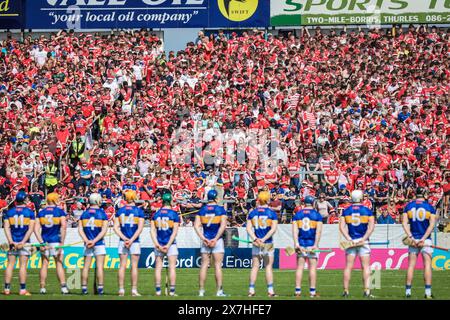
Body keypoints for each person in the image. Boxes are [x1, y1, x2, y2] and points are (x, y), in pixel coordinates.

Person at [339, 189, 375, 298]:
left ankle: (346, 291)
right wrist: (363, 239)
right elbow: (371, 227)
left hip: (351, 242)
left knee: (348, 267)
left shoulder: (346, 210)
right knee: (365, 267)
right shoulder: (367, 210)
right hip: (363, 241)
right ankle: (367, 291)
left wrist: (349, 239)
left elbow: (341, 227)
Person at [402, 187, 436, 299]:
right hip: (425, 240)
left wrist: (411, 237)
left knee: (411, 266)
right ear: (424, 194)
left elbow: (404, 223)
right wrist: (423, 239)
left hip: (413, 240)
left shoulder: (408, 206)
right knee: (427, 265)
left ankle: (408, 292)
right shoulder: (430, 207)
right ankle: (428, 292)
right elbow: (431, 225)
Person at [194, 189, 228, 297]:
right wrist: (216, 239)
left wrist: (204, 238)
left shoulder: (202, 210)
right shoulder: (220, 210)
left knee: (204, 265)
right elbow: (223, 225)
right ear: (216, 198)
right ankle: (219, 291)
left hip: (206, 240)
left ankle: (201, 291)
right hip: (217, 240)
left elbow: (196, 226)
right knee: (217, 266)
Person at [34, 192, 69, 294]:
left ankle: (42, 288)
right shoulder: (59, 212)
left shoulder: (41, 212)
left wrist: (41, 242)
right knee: (59, 263)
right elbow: (63, 227)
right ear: (54, 200)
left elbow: (36, 229)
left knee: (44, 264)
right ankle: (63, 287)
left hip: (45, 241)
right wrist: (62, 242)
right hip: (56, 241)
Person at [246, 191, 278, 297]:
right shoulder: (272, 213)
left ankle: (251, 290)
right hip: (267, 243)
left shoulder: (253, 213)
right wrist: (263, 239)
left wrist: (256, 238)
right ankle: (270, 291)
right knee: (268, 267)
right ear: (267, 200)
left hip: (256, 243)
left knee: (255, 267)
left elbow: (248, 228)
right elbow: (273, 229)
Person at [3, 191, 35, 296]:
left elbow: (6, 228)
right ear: (24, 199)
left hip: (13, 241)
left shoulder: (9, 212)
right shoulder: (30, 212)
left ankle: (7, 288)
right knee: (23, 266)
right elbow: (30, 229)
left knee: (10, 265)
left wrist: (10, 241)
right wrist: (23, 242)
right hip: (24, 242)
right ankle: (22, 289)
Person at [113, 189, 145, 297]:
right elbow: (140, 228)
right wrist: (131, 240)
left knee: (122, 266)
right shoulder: (139, 211)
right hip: (134, 241)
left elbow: (115, 228)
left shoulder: (120, 211)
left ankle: (121, 289)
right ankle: (134, 290)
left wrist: (124, 238)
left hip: (123, 241)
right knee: (134, 266)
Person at [292, 195, 323, 298]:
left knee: (300, 268)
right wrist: (316, 245)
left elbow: (295, 231)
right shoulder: (317, 215)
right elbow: (318, 232)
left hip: (301, 244)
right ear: (313, 203)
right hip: (311, 244)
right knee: (312, 268)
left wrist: (296, 243)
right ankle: (312, 292)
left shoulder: (298, 214)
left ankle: (297, 291)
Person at [150, 192, 180, 296]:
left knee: (158, 267)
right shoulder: (174, 214)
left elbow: (152, 231)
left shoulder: (156, 214)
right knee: (172, 267)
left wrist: (157, 244)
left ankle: (158, 291)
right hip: (170, 244)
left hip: (159, 243)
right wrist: (168, 245)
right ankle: (172, 292)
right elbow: (175, 232)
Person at [78, 193, 108, 295]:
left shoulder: (84, 213)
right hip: (99, 242)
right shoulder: (102, 213)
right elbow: (104, 230)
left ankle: (84, 289)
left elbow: (80, 229)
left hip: (87, 243)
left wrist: (87, 240)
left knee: (86, 267)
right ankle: (100, 289)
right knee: (99, 267)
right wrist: (94, 241)